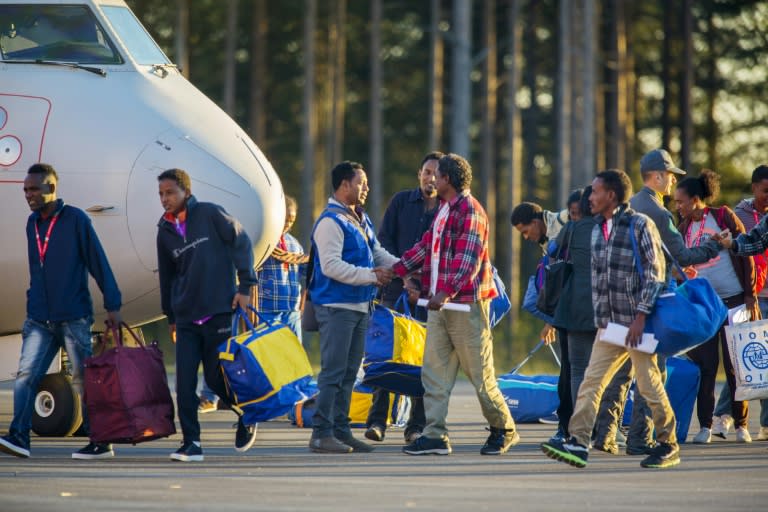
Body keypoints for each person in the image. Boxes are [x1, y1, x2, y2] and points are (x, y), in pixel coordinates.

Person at [541, 169, 679, 469]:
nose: (589, 197)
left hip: (636, 324)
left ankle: (668, 444)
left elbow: (655, 274)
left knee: (648, 383)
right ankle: (578, 443)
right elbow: (599, 281)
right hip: (610, 326)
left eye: (595, 191)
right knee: (591, 381)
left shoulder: (639, 225)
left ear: (611, 196)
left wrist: (641, 317)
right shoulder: (596, 230)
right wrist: (602, 321)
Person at [597, 149, 723, 456]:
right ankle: (641, 437)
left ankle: (604, 434)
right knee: (653, 371)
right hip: (651, 302)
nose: (672, 182)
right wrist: (713, 245)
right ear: (657, 176)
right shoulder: (658, 212)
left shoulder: (626, 207)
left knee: (622, 370)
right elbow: (683, 254)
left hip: (621, 298)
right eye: (670, 176)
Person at [394, 153, 518, 456]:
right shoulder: (444, 210)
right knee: (433, 373)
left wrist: (445, 292)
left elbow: (469, 261)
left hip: (467, 307)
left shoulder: (471, 211)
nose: (431, 179)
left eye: (436, 174)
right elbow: (426, 247)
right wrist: (396, 270)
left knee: (480, 374)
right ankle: (435, 435)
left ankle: (504, 429)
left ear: (446, 179)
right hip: (441, 307)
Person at [0, 163, 122, 460]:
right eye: (25, 190)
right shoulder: (33, 224)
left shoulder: (76, 220)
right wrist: (32, 303)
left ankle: (100, 441)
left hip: (73, 316)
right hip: (40, 318)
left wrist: (113, 304)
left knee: (83, 379)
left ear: (51, 188)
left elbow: (98, 262)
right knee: (26, 375)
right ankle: (19, 436)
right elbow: (36, 270)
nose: (28, 195)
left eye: (34, 189)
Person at [156, 168, 258, 462]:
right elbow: (167, 275)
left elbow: (241, 242)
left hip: (218, 313)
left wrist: (246, 285)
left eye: (170, 193)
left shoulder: (211, 214)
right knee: (184, 384)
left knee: (215, 379)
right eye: (161, 194)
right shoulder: (164, 230)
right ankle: (192, 443)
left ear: (186, 192)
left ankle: (246, 413)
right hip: (186, 318)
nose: (165, 199)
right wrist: (170, 316)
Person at [307, 161, 397, 454]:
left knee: (349, 373)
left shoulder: (359, 218)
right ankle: (321, 433)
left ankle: (342, 431)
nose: (366, 188)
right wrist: (372, 276)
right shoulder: (331, 222)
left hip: (359, 306)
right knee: (333, 373)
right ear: (344, 185)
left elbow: (377, 253)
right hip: (336, 306)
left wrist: (405, 268)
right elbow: (331, 266)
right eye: (361, 183)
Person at [364, 152, 442, 444]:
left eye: (435, 173)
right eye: (426, 172)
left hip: (429, 296)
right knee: (387, 355)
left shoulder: (446, 209)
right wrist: (405, 277)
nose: (430, 178)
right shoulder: (400, 202)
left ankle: (415, 426)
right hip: (395, 293)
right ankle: (377, 421)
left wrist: (421, 283)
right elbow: (384, 242)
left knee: (424, 361)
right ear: (419, 173)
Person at [673, 169, 757, 444]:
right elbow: (683, 265)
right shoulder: (684, 228)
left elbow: (746, 253)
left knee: (735, 365)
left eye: (681, 201)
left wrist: (750, 295)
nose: (678, 206)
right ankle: (705, 426)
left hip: (733, 300)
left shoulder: (722, 216)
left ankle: (741, 424)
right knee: (706, 366)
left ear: (696, 199)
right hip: (704, 305)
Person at [712, 164, 768, 441]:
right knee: (749, 359)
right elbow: (753, 242)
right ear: (754, 186)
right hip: (757, 294)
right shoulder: (740, 213)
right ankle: (726, 414)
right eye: (765, 190)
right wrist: (731, 244)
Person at [512, 199, 573, 442]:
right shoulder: (546, 239)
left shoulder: (561, 220)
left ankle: (570, 427)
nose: (526, 237)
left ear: (536, 222)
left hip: (575, 304)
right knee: (530, 301)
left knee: (572, 370)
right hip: (562, 304)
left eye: (526, 231)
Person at [550, 187, 599, 445]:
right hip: (604, 306)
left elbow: (552, 250)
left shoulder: (573, 228)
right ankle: (604, 428)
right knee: (604, 370)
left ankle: (577, 429)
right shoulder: (610, 228)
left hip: (574, 305)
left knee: (577, 369)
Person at [254, 195, 308, 342]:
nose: (288, 224)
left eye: (292, 221)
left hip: (291, 311)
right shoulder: (265, 241)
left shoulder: (295, 245)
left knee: (293, 356)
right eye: (286, 219)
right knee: (268, 354)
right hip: (267, 310)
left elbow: (305, 273)